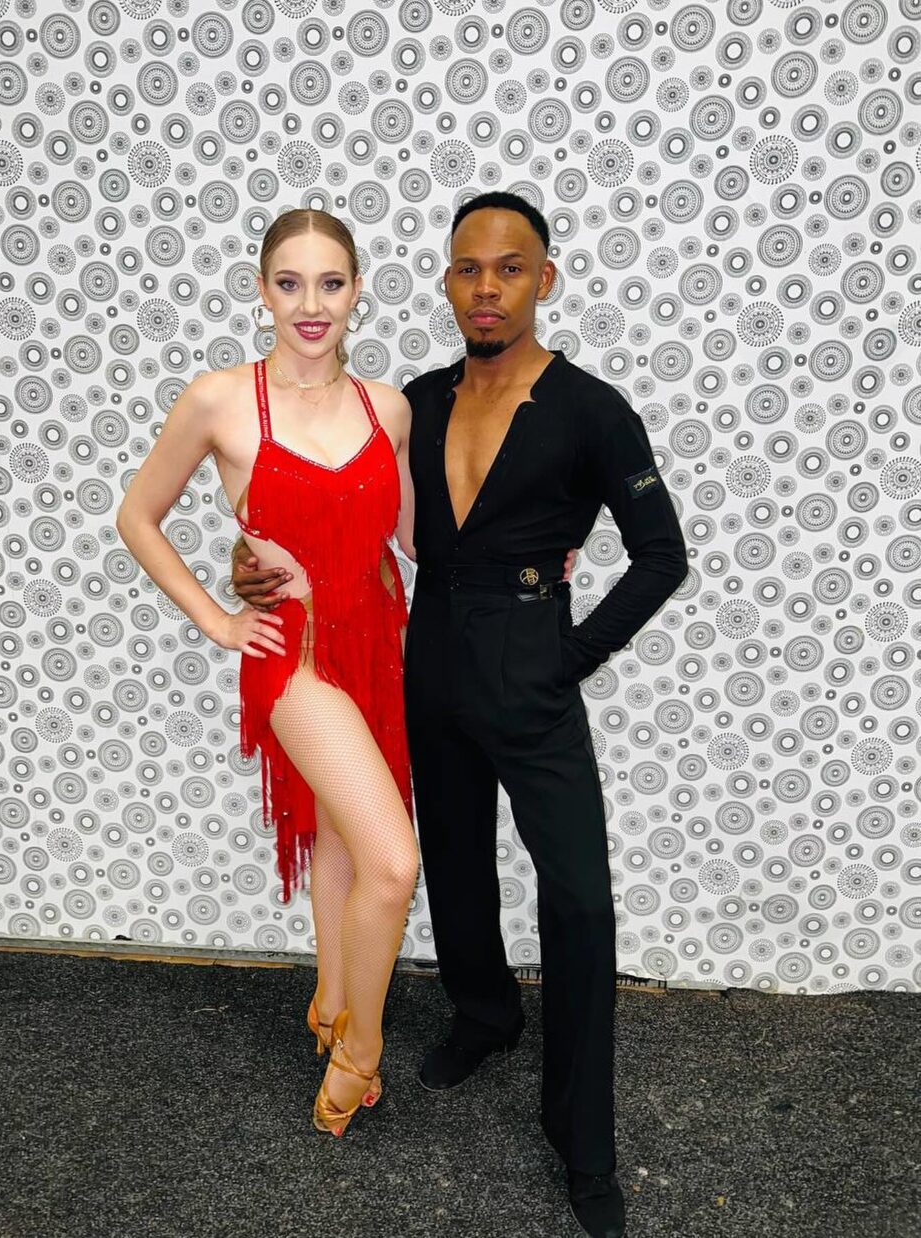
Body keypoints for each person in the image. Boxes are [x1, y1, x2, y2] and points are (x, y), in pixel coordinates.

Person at [231, 191, 689, 1238]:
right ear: (446, 282)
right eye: (467, 268)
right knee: (449, 854)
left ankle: (582, 1141)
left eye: (509, 268)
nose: (487, 287)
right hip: (428, 654)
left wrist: (569, 655)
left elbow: (661, 555)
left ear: (543, 279)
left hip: (533, 666)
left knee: (580, 901)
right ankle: (483, 1012)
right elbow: (353, 524)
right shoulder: (417, 402)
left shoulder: (592, 408)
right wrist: (249, 565)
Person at [116, 207, 422, 1139]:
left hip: (378, 646)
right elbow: (137, 517)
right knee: (393, 863)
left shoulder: (387, 408)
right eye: (289, 283)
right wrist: (217, 619)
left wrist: (538, 540)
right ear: (261, 292)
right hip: (293, 659)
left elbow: (415, 541)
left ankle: (331, 999)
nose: (310, 304)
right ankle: (359, 1050)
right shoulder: (219, 400)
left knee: (344, 842)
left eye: (329, 283)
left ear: (357, 290)